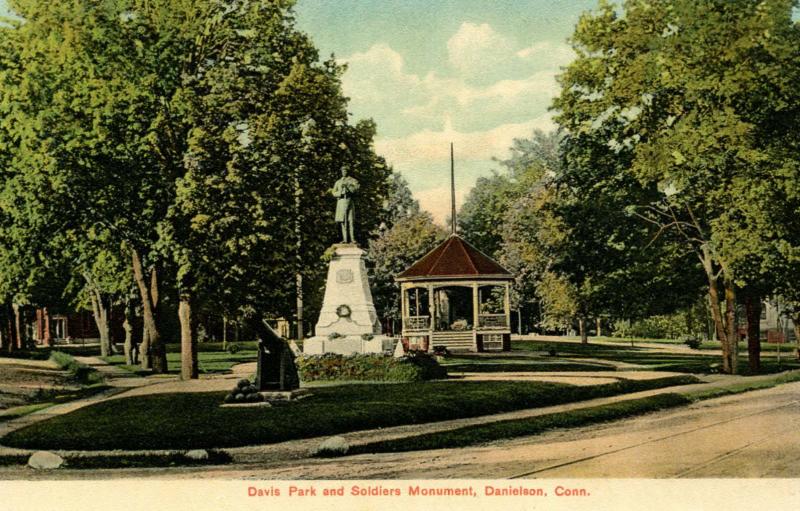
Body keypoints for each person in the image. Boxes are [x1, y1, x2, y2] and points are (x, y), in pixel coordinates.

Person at [332, 166, 359, 244]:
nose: (344, 172)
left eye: (345, 171)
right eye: (342, 171)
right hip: (341, 202)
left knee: (351, 221)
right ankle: (345, 239)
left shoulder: (353, 180)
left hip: (349, 201)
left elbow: (355, 190)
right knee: (343, 222)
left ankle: (353, 239)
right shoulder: (338, 182)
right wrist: (340, 193)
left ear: (348, 171)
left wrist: (347, 187)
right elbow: (333, 192)